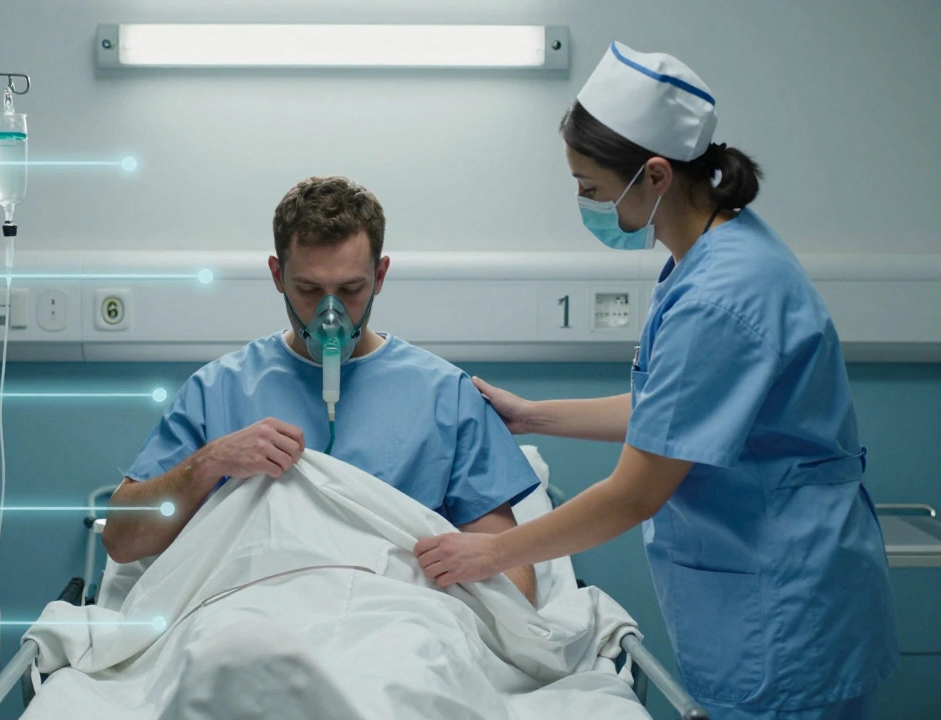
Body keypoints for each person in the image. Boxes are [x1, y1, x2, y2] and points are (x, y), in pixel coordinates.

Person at [413, 42, 897, 719]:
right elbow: (672, 412)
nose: (583, 201)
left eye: (590, 187)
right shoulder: (715, 253)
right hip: (767, 589)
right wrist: (530, 415)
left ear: (656, 176)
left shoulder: (721, 296)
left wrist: (491, 553)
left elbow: (634, 493)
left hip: (785, 609)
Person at [104, 175, 541, 603]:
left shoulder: (446, 396)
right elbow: (122, 541)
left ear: (380, 275)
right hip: (250, 614)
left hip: (398, 617)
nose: (330, 313)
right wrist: (209, 462)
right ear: (278, 275)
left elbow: (514, 585)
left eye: (351, 289)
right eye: (309, 289)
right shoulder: (219, 390)